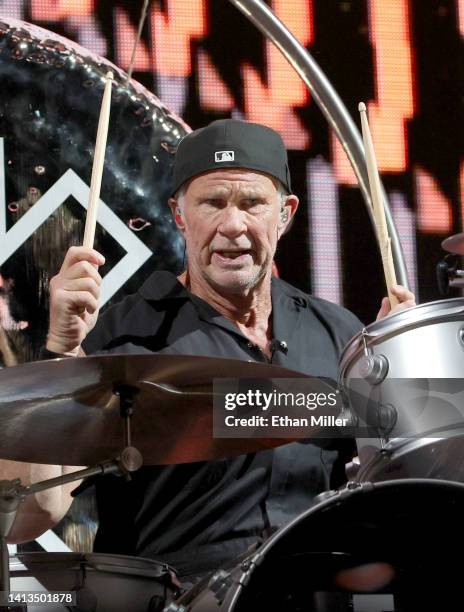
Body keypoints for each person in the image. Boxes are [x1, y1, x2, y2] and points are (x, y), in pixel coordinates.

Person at [4, 119, 415, 583]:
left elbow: (392, 490)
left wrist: (396, 373)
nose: (232, 225)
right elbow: (28, 516)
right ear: (179, 214)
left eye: (253, 203)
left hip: (316, 589)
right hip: (180, 596)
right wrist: (62, 349)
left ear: (285, 214)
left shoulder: (339, 333)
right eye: (212, 203)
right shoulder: (123, 339)